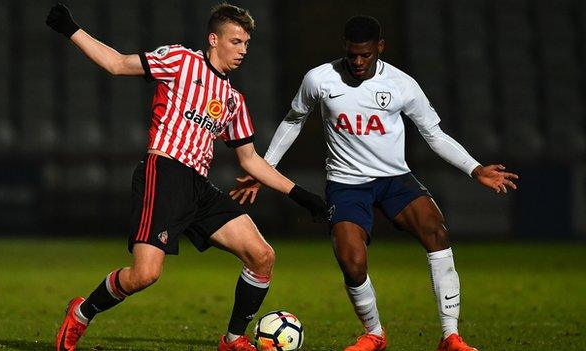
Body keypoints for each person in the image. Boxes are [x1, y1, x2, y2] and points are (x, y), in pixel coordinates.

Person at [45, 3, 328, 351]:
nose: (243, 50)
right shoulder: (181, 61)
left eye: (246, 44)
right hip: (164, 173)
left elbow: (250, 159)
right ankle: (81, 313)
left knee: (262, 255)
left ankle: (233, 339)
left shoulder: (234, 100)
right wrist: (71, 28)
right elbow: (116, 64)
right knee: (145, 275)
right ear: (214, 39)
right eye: (236, 41)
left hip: (199, 186)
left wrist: (301, 194)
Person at [230, 15, 519, 351]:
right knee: (351, 260)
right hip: (346, 183)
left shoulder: (402, 84)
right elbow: (293, 122)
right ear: (344, 48)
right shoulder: (319, 79)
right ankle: (375, 334)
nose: (358, 62)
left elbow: (434, 134)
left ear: (380, 48)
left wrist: (475, 169)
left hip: (395, 178)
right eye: (352, 54)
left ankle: (450, 336)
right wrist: (265, 168)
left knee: (436, 230)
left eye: (366, 55)